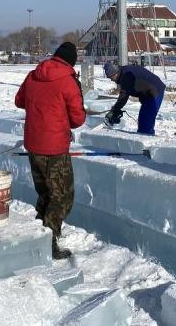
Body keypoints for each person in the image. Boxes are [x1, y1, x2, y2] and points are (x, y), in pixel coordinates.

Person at [15, 41, 86, 260]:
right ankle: (48, 241)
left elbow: (19, 101)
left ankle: (40, 233)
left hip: (34, 145)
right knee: (62, 196)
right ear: (71, 61)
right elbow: (78, 118)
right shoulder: (68, 81)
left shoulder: (33, 75)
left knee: (45, 192)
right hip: (54, 148)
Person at [103, 61, 165, 135]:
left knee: (146, 121)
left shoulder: (126, 76)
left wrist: (114, 110)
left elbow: (123, 96)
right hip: (146, 93)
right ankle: (144, 135)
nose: (111, 79)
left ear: (116, 73)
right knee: (143, 119)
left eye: (111, 77)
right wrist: (115, 109)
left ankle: (146, 141)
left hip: (154, 91)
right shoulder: (123, 73)